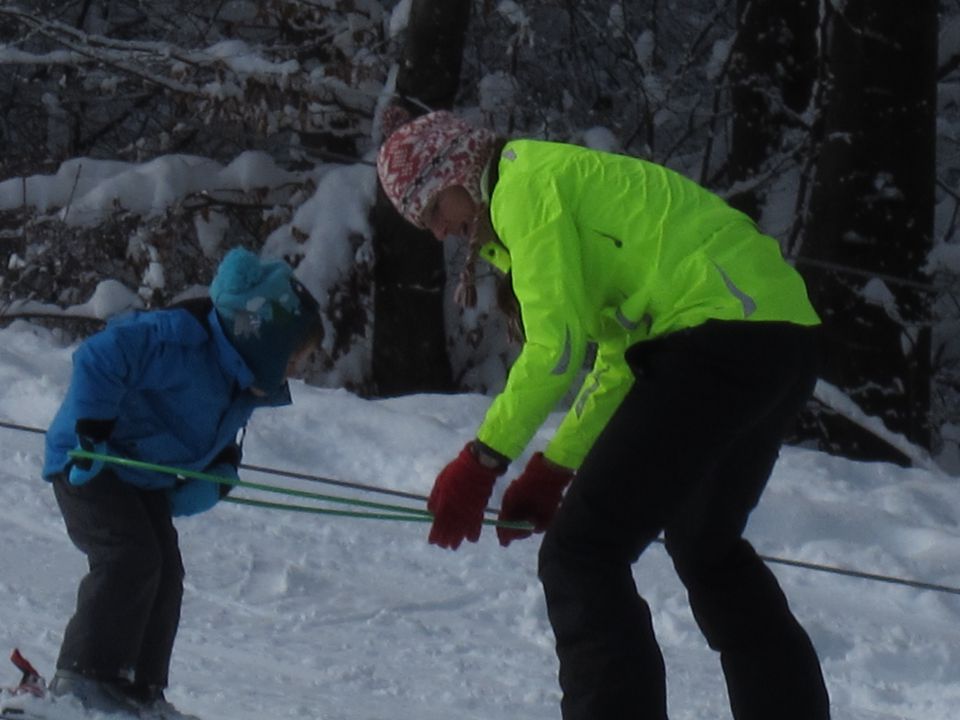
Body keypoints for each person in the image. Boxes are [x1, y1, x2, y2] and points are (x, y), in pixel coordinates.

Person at [376, 110, 831, 720]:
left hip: (718, 336)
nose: (437, 232)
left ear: (455, 168)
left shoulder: (523, 186)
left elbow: (555, 352)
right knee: (706, 547)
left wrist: (481, 461)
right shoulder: (552, 180)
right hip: (781, 337)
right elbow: (618, 356)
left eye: (431, 209)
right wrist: (553, 469)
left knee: (581, 555)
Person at [42, 247, 323, 719]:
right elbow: (99, 356)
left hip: (140, 475)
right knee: (130, 556)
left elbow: (213, 429)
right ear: (262, 339)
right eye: (296, 357)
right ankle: (81, 679)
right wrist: (91, 430)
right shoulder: (179, 341)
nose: (298, 370)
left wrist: (220, 471)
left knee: (166, 571)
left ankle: (138, 689)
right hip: (88, 459)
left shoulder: (243, 379)